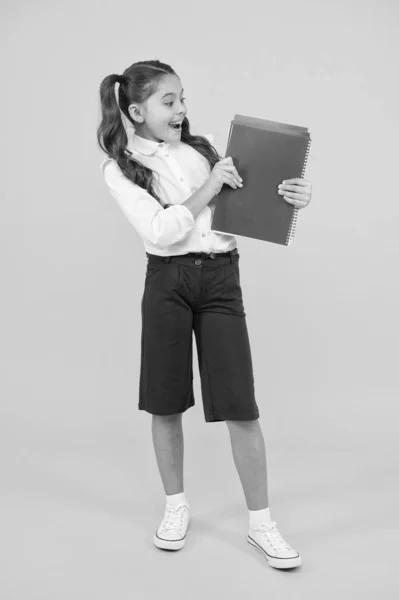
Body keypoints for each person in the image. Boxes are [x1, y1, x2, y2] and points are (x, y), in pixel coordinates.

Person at [97, 59, 312, 570]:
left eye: (183, 98)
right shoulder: (121, 167)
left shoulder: (207, 148)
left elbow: (252, 206)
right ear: (136, 110)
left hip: (221, 280)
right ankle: (176, 508)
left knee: (241, 403)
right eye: (168, 101)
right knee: (165, 401)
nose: (181, 110)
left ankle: (262, 525)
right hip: (168, 282)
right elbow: (161, 232)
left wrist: (295, 199)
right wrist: (211, 187)